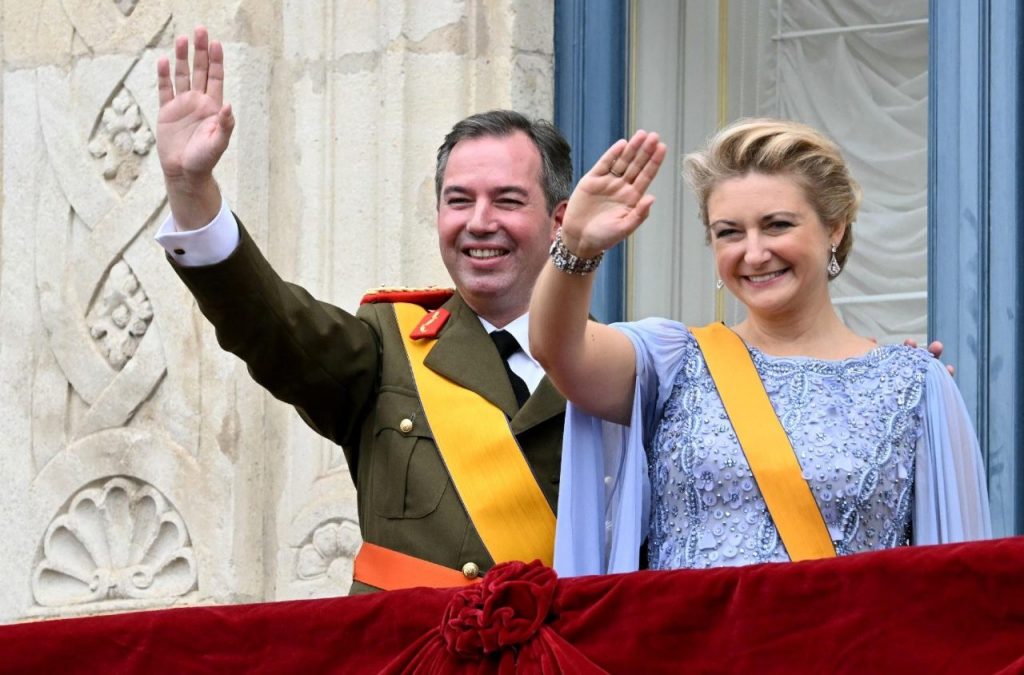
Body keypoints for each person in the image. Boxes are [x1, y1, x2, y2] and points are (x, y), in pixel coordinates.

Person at [154, 27, 571, 592]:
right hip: (412, 640)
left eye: (507, 200)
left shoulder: (614, 368)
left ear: (559, 221)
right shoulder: (389, 345)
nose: (479, 222)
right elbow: (270, 324)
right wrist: (190, 189)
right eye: (458, 200)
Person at [529, 119, 992, 576]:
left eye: (777, 225)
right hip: (689, 629)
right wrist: (577, 246)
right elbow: (559, 350)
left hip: (846, 630)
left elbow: (957, 582)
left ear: (834, 228)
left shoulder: (912, 383)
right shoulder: (674, 361)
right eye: (729, 232)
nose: (753, 253)